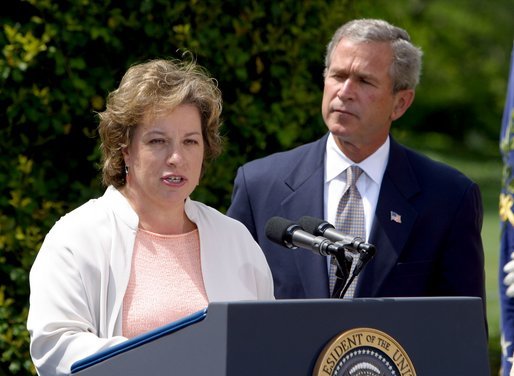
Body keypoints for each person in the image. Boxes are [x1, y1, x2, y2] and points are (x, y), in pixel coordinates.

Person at [27, 58, 274, 376]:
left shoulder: (235, 238)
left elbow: (266, 346)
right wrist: (167, 360)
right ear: (124, 149)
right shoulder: (75, 237)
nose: (177, 157)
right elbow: (55, 347)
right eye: (158, 141)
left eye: (190, 141)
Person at [227, 19, 486, 306]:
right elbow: (229, 311)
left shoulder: (448, 197)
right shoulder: (260, 186)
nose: (345, 92)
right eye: (337, 76)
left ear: (400, 103)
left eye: (364, 81)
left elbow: (463, 332)